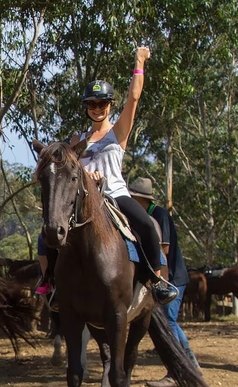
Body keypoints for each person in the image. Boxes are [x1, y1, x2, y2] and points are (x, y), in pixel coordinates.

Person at [67, 47, 178, 304]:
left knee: (149, 227)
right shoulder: (77, 139)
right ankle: (51, 283)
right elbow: (69, 169)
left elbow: (135, 97)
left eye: (102, 103)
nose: (97, 108)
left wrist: (139, 62)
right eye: (92, 104)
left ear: (109, 105)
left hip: (115, 194)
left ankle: (157, 281)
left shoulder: (118, 132)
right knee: (50, 232)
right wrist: (85, 176)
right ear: (86, 107)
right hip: (84, 199)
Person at [129, 177, 200, 387]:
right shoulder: (146, 215)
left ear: (137, 198)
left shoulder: (158, 215)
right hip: (164, 276)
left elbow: (164, 249)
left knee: (169, 323)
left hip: (172, 278)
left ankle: (187, 367)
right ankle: (187, 367)